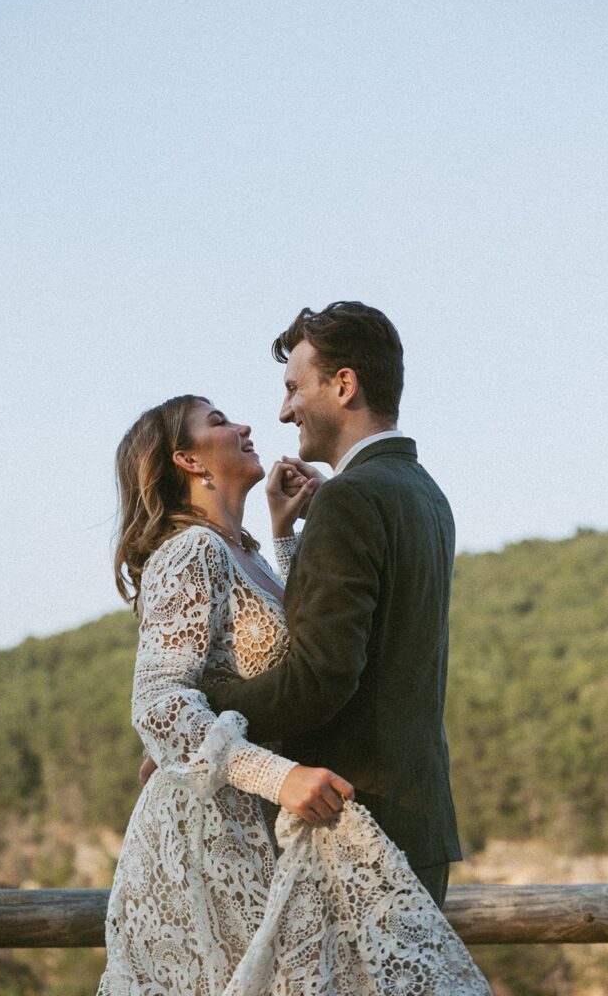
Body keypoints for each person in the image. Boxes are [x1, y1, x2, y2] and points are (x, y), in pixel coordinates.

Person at [98, 389, 491, 994]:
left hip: (256, 828)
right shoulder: (190, 550)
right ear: (188, 460)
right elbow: (159, 704)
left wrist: (285, 535)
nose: (247, 424)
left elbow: (287, 649)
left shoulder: (242, 551)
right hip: (206, 839)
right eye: (219, 421)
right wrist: (280, 778)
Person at [204, 300, 462, 909]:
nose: (284, 409)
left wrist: (201, 709)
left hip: (359, 832)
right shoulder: (425, 493)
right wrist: (290, 537)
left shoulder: (351, 498)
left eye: (294, 387)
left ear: (343, 385)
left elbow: (320, 676)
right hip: (418, 826)